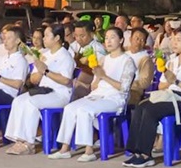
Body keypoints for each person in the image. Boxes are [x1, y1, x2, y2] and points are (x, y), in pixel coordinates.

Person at [122, 28, 181, 167]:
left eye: (178, 40)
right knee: (141, 106)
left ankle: (146, 155)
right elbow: (161, 86)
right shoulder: (172, 61)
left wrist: (176, 81)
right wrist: (169, 78)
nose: (174, 43)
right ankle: (136, 152)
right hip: (168, 95)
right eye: (173, 39)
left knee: (151, 110)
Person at [55, 26, 137, 160]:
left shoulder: (127, 61)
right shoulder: (104, 59)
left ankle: (89, 151)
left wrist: (104, 76)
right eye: (106, 38)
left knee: (85, 110)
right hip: (98, 95)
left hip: (115, 98)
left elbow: (124, 88)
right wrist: (97, 76)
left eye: (112, 38)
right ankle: (65, 148)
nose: (108, 41)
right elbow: (94, 86)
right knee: (70, 108)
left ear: (121, 40)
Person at [2, 26, 76, 154]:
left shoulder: (65, 56)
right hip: (43, 91)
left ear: (57, 38)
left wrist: (46, 71)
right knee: (19, 100)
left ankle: (29, 143)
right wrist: (40, 70)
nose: (44, 38)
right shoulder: (44, 55)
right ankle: (19, 140)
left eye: (47, 35)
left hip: (59, 94)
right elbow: (34, 79)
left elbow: (66, 80)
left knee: (30, 103)